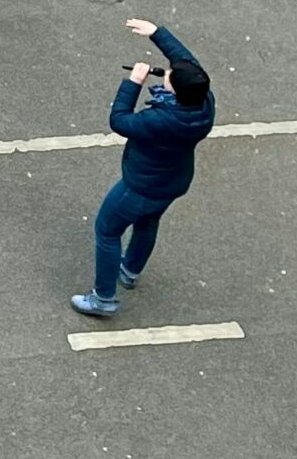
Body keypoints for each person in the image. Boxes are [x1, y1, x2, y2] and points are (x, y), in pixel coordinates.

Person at [72, 18, 213, 317]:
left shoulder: (160, 121)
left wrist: (133, 83)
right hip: (173, 182)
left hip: (140, 186)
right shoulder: (204, 102)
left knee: (107, 231)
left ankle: (103, 298)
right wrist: (157, 34)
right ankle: (130, 270)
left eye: (170, 77)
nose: (169, 73)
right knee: (148, 222)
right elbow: (188, 63)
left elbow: (120, 121)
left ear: (173, 91)